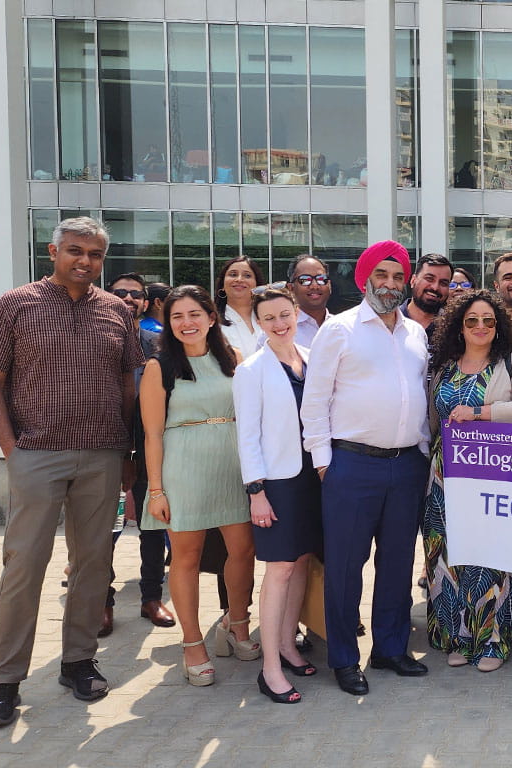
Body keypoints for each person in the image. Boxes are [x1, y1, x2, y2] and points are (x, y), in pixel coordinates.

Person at [0, 217, 143, 727]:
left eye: (95, 255)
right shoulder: (14, 305)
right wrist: (12, 451)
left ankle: (78, 661)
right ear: (52, 251)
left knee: (93, 563)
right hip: (37, 453)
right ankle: (4, 680)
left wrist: (126, 454)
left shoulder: (117, 310)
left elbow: (128, 385)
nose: (85, 262)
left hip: (101, 454)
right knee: (24, 564)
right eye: (75, 251)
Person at [301, 240, 432, 696]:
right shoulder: (339, 329)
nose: (391, 284)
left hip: (406, 466)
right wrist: (323, 464)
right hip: (351, 466)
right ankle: (343, 657)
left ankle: (390, 649)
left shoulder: (415, 333)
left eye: (398, 277)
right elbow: (314, 401)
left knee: (397, 564)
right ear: (365, 279)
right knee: (345, 568)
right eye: (382, 275)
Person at [140, 285, 258, 688]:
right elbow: (152, 435)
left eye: (194, 314)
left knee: (243, 550)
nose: (186, 323)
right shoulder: (159, 367)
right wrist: (156, 491)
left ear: (211, 318)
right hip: (183, 469)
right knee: (186, 559)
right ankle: (192, 644)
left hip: (232, 466)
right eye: (177, 317)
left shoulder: (235, 360)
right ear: (168, 324)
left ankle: (237, 624)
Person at [424, 289, 512, 672]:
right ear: (459, 325)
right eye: (472, 320)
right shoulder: (443, 365)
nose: (480, 327)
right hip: (446, 477)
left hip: (497, 474)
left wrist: (478, 412)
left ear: (499, 325)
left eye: (488, 320)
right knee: (449, 556)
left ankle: (494, 641)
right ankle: (457, 636)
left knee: (494, 555)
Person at [233, 286, 323, 704]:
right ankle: (270, 669)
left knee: (302, 562)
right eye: (269, 318)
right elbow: (247, 437)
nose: (279, 323)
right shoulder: (251, 370)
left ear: (295, 312)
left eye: (284, 314)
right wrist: (256, 493)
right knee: (280, 570)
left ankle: (288, 645)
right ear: (259, 323)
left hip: (313, 479)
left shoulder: (311, 356)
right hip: (277, 484)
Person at [104, 273, 174, 634]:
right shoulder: (94, 339)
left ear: (146, 303)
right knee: (103, 528)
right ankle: (102, 602)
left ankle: (151, 597)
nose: (129, 298)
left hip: (148, 448)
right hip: (103, 449)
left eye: (136, 294)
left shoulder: (159, 344)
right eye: (120, 293)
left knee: (150, 526)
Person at [214, 256, 267, 355]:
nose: (239, 279)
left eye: (247, 276)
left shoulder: (270, 316)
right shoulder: (211, 321)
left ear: (257, 285)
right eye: (233, 274)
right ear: (222, 285)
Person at [287, 255, 333, 348]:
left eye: (321, 279)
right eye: (305, 280)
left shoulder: (344, 327)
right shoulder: (279, 330)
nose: (314, 285)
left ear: (329, 285)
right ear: (290, 288)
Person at [402, 253, 454, 333]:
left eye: (443, 283)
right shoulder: (389, 321)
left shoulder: (454, 327)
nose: (435, 287)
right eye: (429, 279)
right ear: (413, 281)